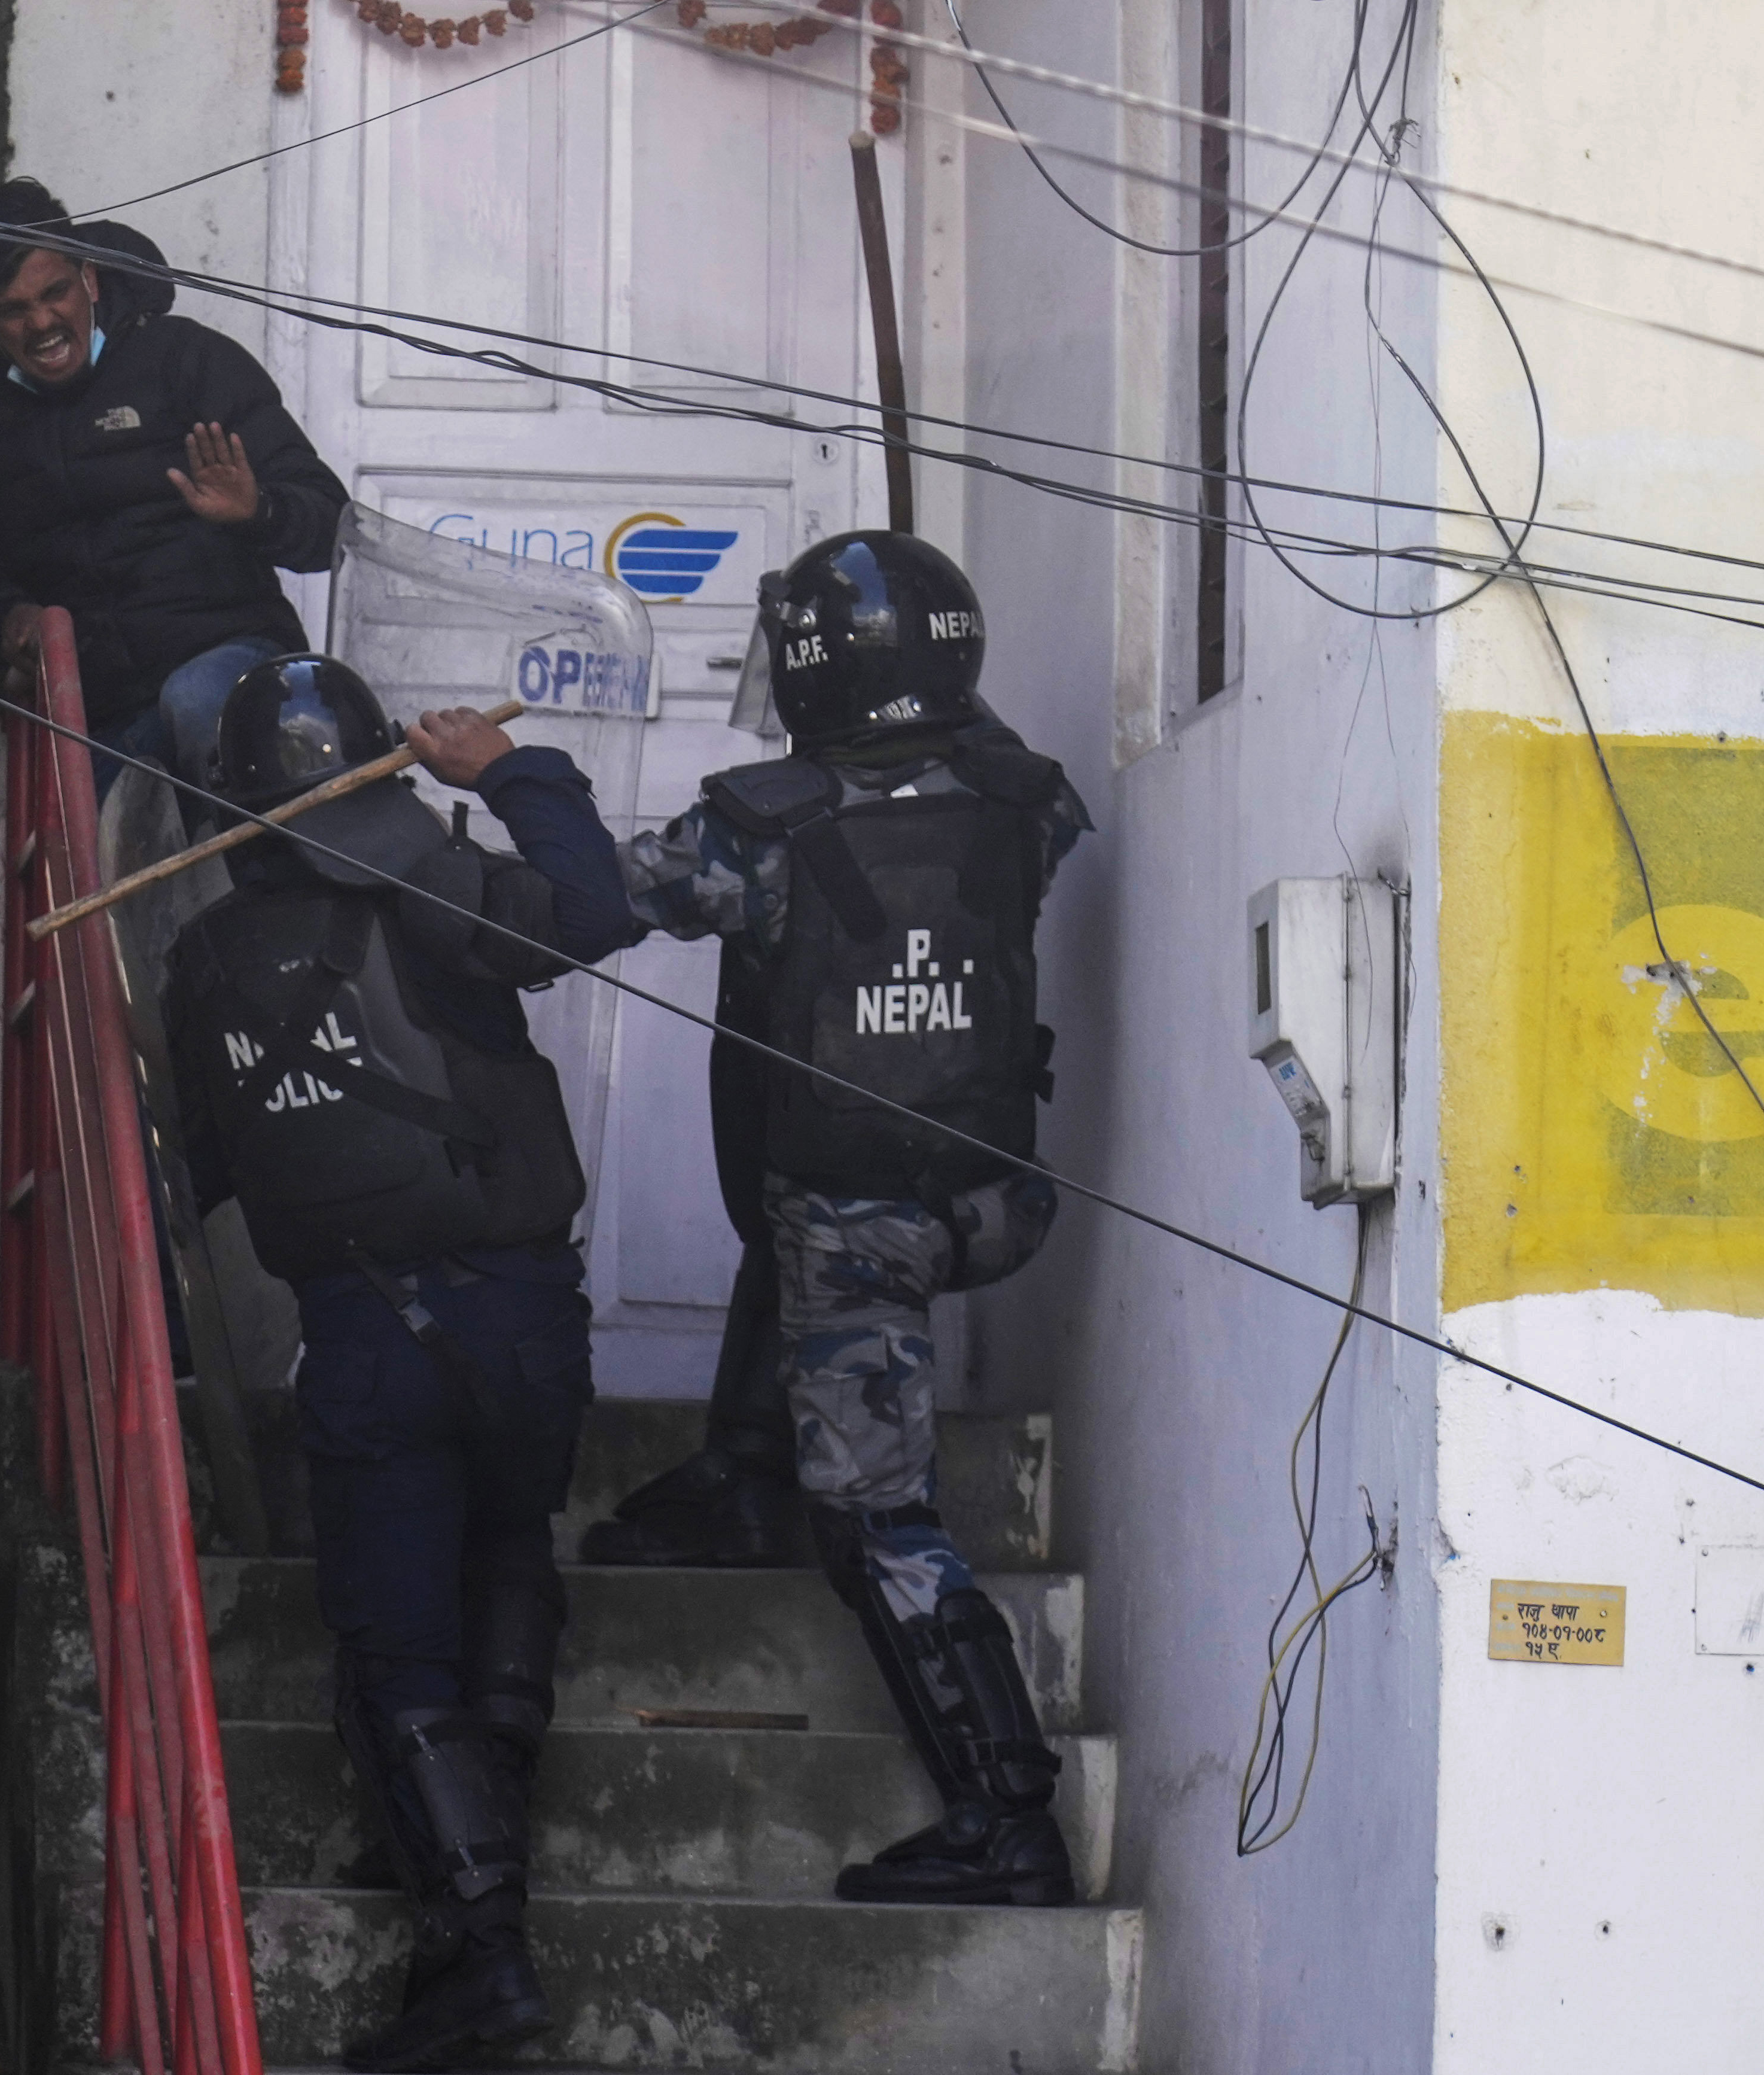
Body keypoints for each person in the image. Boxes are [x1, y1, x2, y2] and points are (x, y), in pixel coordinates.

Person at [605, 533, 1093, 1906]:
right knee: (796, 1198)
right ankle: (743, 1465)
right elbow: (949, 751)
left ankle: (1006, 1818)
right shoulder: (1026, 799)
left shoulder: (752, 831)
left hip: (857, 1226)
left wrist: (502, 784)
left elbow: (590, 903)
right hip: (995, 1200)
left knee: (879, 1523)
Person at [163, 656, 628, 2070]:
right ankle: (474, 1908)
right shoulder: (436, 890)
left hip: (367, 1331)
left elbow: (199, 1172)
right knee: (507, 1559)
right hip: (522, 1313)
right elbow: (593, 912)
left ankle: (479, 1950)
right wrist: (507, 773)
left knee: (395, 1646)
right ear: (372, 760)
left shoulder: (197, 962)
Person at [0, 178, 349, 784]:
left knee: (196, 702)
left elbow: (332, 528)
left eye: (56, 293)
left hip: (230, 667)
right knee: (101, 837)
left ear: (90, 278)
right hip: (96, 710)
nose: (43, 323)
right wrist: (8, 623)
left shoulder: (187, 362)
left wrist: (257, 511)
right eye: (14, 311)